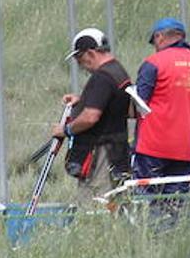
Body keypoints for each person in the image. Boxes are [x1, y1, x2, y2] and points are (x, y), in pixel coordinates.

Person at [132, 18, 190, 223]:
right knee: (175, 205)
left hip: (153, 147)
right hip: (185, 147)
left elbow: (139, 104)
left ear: (160, 37)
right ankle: (172, 242)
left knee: (147, 204)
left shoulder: (154, 63)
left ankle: (150, 244)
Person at [54, 28, 133, 200]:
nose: (80, 65)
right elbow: (116, 104)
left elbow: (91, 117)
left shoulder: (101, 77)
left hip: (100, 155)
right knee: (116, 202)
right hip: (117, 151)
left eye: (79, 59)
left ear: (90, 53)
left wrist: (66, 130)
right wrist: (83, 100)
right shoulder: (118, 71)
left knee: (95, 204)